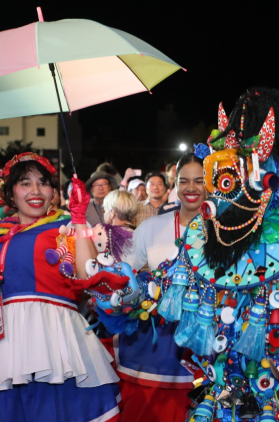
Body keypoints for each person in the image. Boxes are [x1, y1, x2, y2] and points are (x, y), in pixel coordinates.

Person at [0, 153, 122, 422]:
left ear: (53, 191)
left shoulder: (66, 227)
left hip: (57, 349)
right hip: (2, 355)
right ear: (10, 194)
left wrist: (78, 219)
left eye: (43, 182)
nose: (36, 191)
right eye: (25, 183)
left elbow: (88, 273)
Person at [114, 152, 206, 422]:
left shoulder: (225, 231)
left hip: (207, 340)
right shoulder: (151, 227)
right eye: (184, 180)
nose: (191, 188)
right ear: (174, 183)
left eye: (199, 180)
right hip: (156, 342)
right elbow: (122, 273)